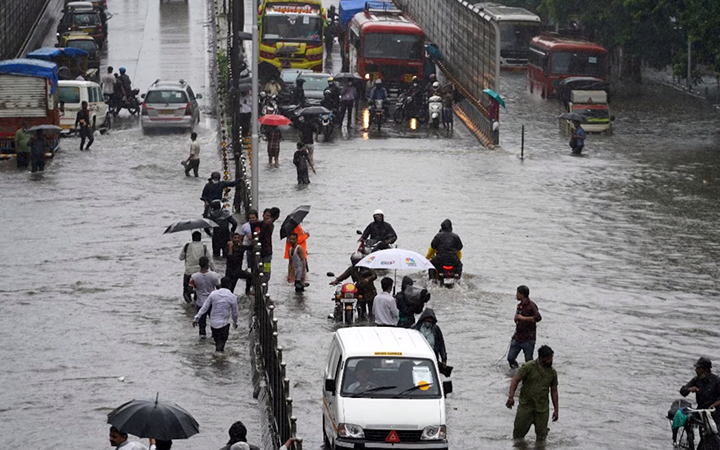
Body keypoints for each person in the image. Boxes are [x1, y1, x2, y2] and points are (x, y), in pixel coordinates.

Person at [506, 345, 559, 442]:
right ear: (541, 358)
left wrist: (556, 409)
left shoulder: (552, 373)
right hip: (526, 407)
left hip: (542, 409)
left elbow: (554, 392)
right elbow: (515, 380)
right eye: (548, 358)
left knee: (542, 439)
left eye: (551, 357)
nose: (551, 360)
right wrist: (511, 397)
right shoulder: (528, 367)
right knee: (518, 437)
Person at [193, 277, 238, 352]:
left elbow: (205, 307)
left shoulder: (213, 294)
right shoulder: (232, 297)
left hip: (213, 325)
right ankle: (219, 360)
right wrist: (235, 322)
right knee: (220, 347)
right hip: (224, 324)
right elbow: (235, 312)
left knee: (217, 344)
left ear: (221, 284)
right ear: (230, 285)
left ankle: (216, 360)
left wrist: (197, 317)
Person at [330, 252, 377, 319]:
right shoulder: (352, 269)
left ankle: (371, 324)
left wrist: (368, 279)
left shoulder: (367, 267)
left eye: (356, 261)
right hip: (360, 292)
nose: (355, 263)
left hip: (370, 292)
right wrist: (336, 281)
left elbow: (374, 275)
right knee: (361, 311)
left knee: (371, 312)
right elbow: (344, 275)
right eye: (354, 261)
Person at [680, 357, 720, 430]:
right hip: (701, 412)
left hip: (715, 413)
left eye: (698, 368)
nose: (696, 370)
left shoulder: (717, 381)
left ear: (705, 370)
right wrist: (689, 389)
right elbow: (682, 391)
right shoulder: (696, 380)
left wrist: (713, 406)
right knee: (703, 433)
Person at [507, 285, 542, 369]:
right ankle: (517, 373)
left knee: (529, 361)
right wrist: (516, 319)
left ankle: (531, 375)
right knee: (510, 358)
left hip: (528, 338)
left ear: (522, 294)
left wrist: (523, 318)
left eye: (517, 293)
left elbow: (538, 317)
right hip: (518, 336)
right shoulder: (519, 306)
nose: (516, 295)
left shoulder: (531, 305)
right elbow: (517, 317)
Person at [189, 256, 221, 338]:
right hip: (212, 302)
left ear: (199, 264)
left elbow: (189, 290)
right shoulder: (214, 275)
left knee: (202, 327)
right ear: (208, 264)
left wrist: (197, 290)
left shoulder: (194, 277)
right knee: (214, 324)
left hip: (200, 303)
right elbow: (218, 288)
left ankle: (202, 344)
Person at [180, 231, 213, 303]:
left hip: (188, 271)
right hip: (199, 272)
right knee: (199, 289)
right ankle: (196, 303)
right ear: (200, 238)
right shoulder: (204, 247)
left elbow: (181, 257)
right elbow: (210, 260)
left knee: (186, 290)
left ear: (192, 238)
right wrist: (213, 271)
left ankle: (189, 305)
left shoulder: (187, 246)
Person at [251, 207, 280, 283]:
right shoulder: (268, 224)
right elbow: (263, 235)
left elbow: (253, 224)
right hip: (267, 252)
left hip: (263, 251)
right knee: (266, 273)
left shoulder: (266, 223)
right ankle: (260, 286)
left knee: (259, 269)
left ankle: (258, 286)